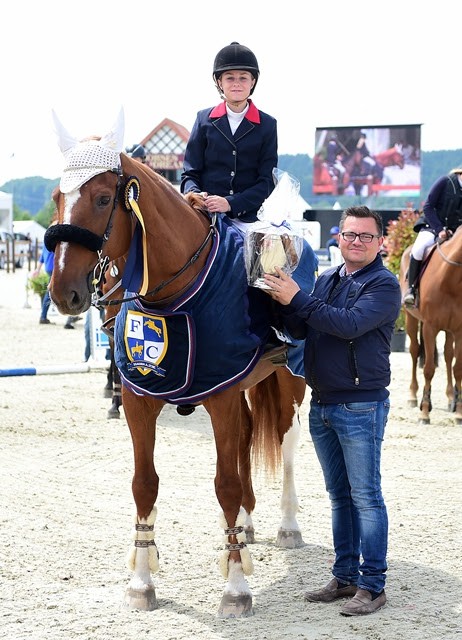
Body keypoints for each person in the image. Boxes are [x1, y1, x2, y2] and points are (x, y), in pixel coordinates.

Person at [263, 205, 401, 617]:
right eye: (349, 235)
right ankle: (344, 576)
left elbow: (347, 324)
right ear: (337, 238)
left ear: (380, 243)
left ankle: (373, 585)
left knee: (366, 498)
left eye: (365, 236)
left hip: (361, 404)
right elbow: (305, 326)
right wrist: (280, 296)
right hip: (321, 400)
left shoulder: (385, 285)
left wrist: (298, 298)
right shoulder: (327, 279)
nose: (356, 241)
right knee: (339, 497)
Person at [181, 41, 277, 227]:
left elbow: (266, 182)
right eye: (230, 78)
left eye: (243, 78)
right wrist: (196, 194)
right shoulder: (203, 119)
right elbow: (190, 173)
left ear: (253, 82)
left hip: (246, 218)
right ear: (219, 82)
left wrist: (230, 203)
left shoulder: (267, 125)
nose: (236, 84)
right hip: (204, 215)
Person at [403, 167, 462, 306]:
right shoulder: (445, 182)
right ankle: (411, 290)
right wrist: (439, 229)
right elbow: (428, 207)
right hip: (432, 227)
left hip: (455, 233)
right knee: (418, 249)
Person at [35, 244, 80, 329]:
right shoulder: (57, 241)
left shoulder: (46, 243)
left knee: (49, 293)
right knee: (69, 291)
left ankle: (43, 316)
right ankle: (70, 319)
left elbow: (41, 257)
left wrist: (37, 269)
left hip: (49, 269)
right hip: (56, 269)